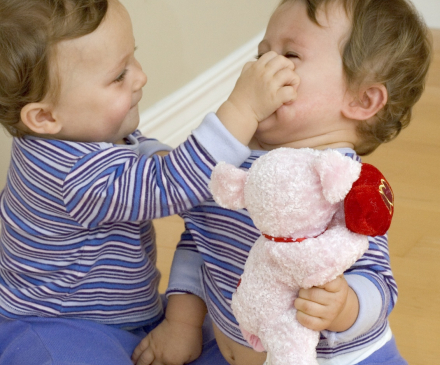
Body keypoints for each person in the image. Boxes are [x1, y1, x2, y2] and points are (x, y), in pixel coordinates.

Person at [132, 0, 431, 364]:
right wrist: (182, 324)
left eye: (289, 55)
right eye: (261, 55)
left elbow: (380, 284)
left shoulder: (344, 185)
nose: (263, 69)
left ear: (362, 99)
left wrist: (345, 306)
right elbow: (201, 240)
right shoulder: (232, 166)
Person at [0, 0, 299, 364]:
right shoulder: (72, 176)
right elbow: (168, 184)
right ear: (45, 116)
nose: (140, 77)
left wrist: (174, 162)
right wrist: (243, 109)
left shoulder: (83, 134)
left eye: (133, 59)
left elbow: (141, 153)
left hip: (126, 311)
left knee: (221, 341)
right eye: (119, 75)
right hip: (58, 322)